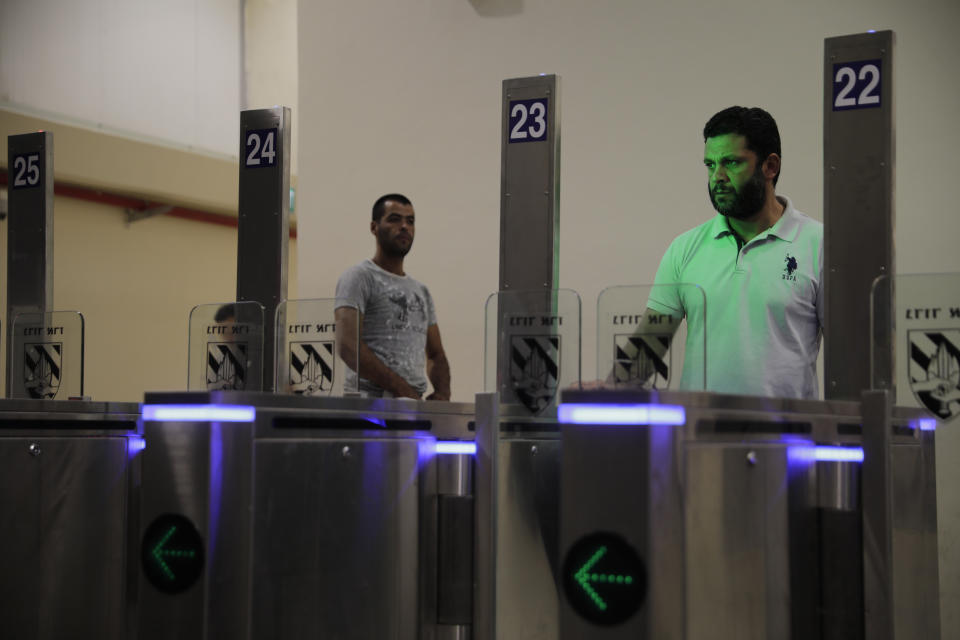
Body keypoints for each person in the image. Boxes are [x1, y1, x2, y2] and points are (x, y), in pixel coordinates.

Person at [639, 106, 824, 398]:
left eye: (731, 162)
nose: (718, 177)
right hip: (699, 439)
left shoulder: (819, 244)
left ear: (770, 166)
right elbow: (645, 353)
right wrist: (606, 388)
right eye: (710, 165)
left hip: (787, 439)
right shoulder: (684, 248)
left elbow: (849, 359)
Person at [334, 194, 451, 400]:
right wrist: (402, 390)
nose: (405, 226)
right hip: (368, 407)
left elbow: (436, 354)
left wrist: (442, 393)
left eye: (410, 221)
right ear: (374, 227)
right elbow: (348, 346)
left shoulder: (421, 291)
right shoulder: (359, 277)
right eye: (395, 219)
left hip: (411, 406)